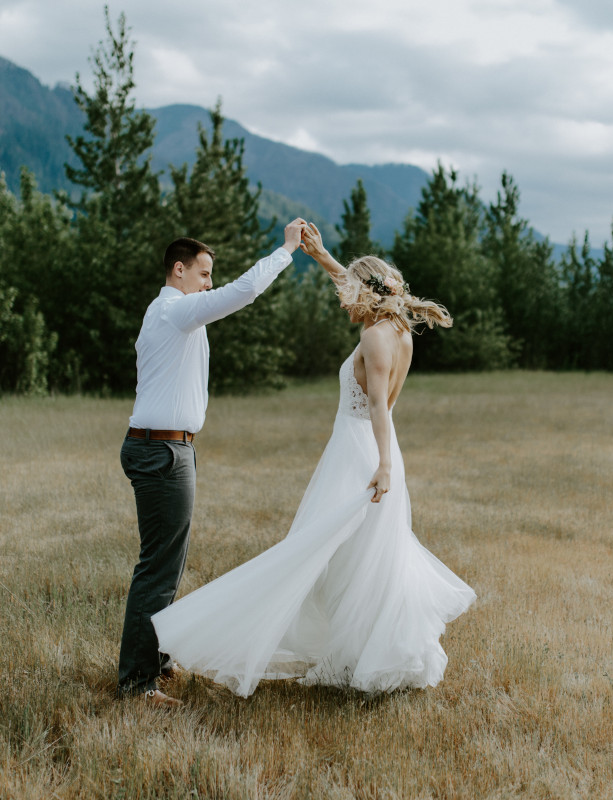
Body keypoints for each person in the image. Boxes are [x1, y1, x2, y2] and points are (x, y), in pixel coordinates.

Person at [151, 223, 476, 698]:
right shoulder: (395, 326)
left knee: (317, 554)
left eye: (348, 293)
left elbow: (380, 407)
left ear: (367, 293)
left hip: (363, 453)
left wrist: (383, 466)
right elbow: (357, 287)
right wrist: (324, 257)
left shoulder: (374, 338)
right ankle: (360, 654)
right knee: (362, 559)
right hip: (370, 450)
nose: (342, 301)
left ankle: (239, 636)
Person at [117, 218, 308, 707]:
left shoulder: (169, 314)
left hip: (166, 447)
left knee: (167, 564)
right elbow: (242, 291)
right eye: (202, 274)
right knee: (158, 569)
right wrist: (287, 249)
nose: (208, 284)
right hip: (161, 450)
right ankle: (138, 684)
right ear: (178, 271)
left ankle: (154, 661)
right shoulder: (173, 311)